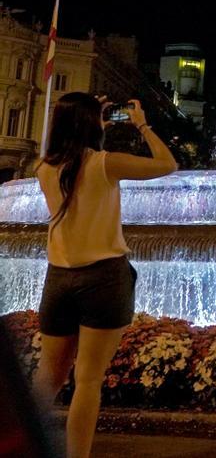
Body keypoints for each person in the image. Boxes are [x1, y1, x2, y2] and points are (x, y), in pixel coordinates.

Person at [33, 94, 178, 458]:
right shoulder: (105, 164)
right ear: (90, 124)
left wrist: (92, 119)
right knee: (88, 381)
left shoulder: (43, 168)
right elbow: (167, 163)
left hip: (59, 279)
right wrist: (140, 123)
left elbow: (73, 167)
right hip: (103, 279)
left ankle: (19, 445)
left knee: (46, 380)